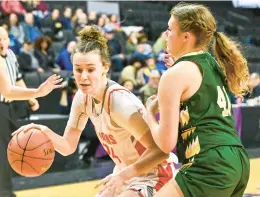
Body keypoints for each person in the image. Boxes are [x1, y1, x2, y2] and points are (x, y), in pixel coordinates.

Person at [12, 26, 177, 197]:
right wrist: (44, 131)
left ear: (105, 67)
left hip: (155, 175)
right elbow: (68, 146)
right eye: (78, 69)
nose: (83, 76)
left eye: (90, 70)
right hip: (125, 173)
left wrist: (124, 175)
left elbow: (160, 151)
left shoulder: (119, 103)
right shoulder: (81, 99)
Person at [145, 3, 250, 197]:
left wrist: (149, 114)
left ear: (186, 36)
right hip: (238, 159)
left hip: (209, 163)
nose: (166, 34)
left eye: (170, 29)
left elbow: (166, 144)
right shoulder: (211, 62)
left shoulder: (175, 74)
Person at [0, 27, 62, 197]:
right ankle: (4, 192)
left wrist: (31, 97)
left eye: (4, 38)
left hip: (9, 106)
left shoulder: (11, 56)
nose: (1, 42)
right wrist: (37, 92)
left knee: (11, 147)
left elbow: (17, 80)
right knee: (3, 150)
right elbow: (5, 90)